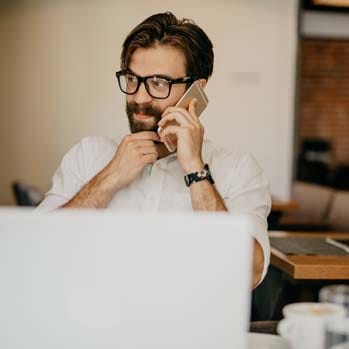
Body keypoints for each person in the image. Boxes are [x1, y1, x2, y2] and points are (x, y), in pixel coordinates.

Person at [37, 12, 271, 288]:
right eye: (132, 79)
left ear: (196, 90)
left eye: (159, 83)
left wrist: (196, 171)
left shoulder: (238, 169)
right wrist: (109, 178)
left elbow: (248, 275)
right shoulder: (88, 155)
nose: (139, 97)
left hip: (188, 329)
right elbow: (35, 251)